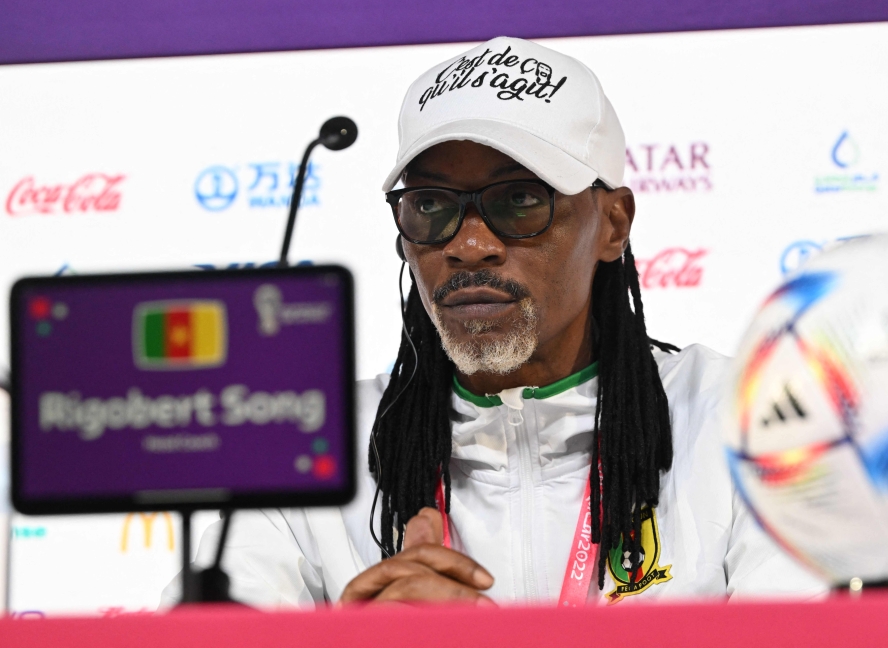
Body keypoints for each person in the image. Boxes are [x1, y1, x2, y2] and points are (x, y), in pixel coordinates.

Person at [162, 36, 825, 608]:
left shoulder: (748, 423)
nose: (468, 244)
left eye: (518, 199)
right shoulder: (303, 448)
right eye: (431, 205)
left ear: (613, 223)